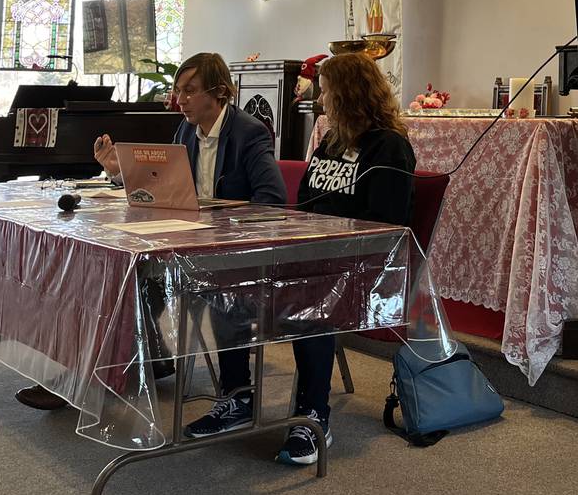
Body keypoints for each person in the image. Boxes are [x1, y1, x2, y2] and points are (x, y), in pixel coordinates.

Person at [86, 53, 285, 431]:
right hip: (189, 246)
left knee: (224, 288)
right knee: (126, 269)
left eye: (190, 91)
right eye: (178, 91)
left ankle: (238, 396)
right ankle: (142, 361)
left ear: (220, 93)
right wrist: (117, 175)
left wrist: (215, 215)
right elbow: (162, 191)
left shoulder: (250, 133)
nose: (181, 100)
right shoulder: (183, 132)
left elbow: (272, 199)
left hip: (236, 251)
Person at [274, 51, 417, 466]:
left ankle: (314, 415)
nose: (320, 101)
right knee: (237, 282)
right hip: (317, 259)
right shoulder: (331, 142)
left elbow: (385, 227)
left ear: (348, 94)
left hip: (365, 270)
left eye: (325, 92)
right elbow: (304, 204)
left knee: (310, 303)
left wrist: (325, 237)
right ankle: (237, 396)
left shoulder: (390, 148)